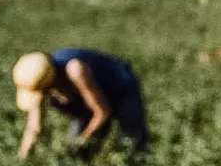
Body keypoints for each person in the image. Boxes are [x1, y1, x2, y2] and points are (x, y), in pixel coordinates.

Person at [13, 49, 149, 158]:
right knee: (74, 157)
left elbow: (102, 112)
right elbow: (34, 127)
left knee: (132, 142)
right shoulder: (38, 79)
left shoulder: (75, 70)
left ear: (50, 83)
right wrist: (22, 159)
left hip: (121, 88)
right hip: (88, 102)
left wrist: (83, 139)